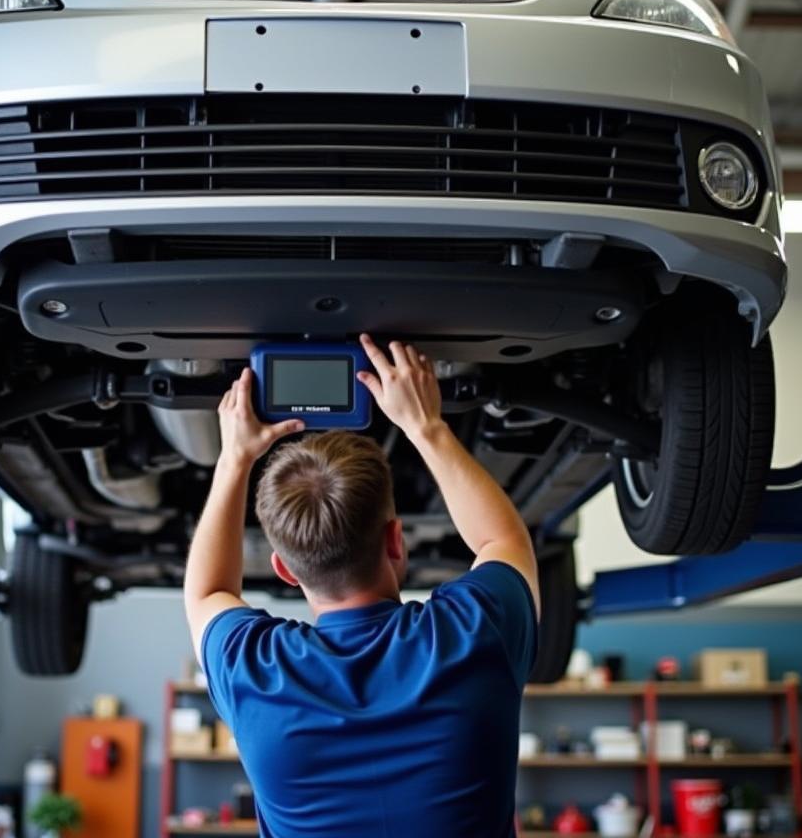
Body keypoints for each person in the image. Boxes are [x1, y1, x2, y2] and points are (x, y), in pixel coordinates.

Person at [183, 333, 540, 838]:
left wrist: (233, 460)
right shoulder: (474, 632)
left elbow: (206, 591)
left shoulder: (254, 669)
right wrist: (425, 426)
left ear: (285, 568)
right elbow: (502, 539)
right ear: (396, 541)